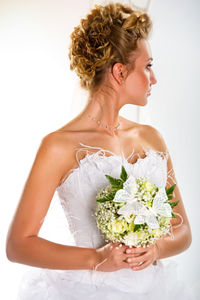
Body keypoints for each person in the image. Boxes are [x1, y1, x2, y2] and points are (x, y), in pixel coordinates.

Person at [6, 2, 195, 299]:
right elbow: (18, 245)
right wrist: (97, 259)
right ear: (119, 72)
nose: (154, 79)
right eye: (148, 66)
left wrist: (155, 247)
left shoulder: (152, 138)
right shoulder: (58, 146)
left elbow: (182, 231)